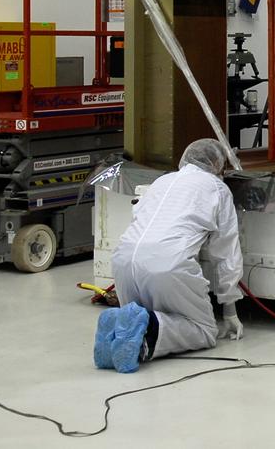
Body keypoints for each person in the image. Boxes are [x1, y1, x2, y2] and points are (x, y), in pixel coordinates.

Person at [94, 139, 244, 373]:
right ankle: (146, 338)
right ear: (218, 165)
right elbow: (225, 252)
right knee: (204, 329)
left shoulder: (161, 181)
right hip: (167, 265)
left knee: (138, 315)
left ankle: (116, 327)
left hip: (123, 261)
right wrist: (229, 310)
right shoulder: (217, 188)